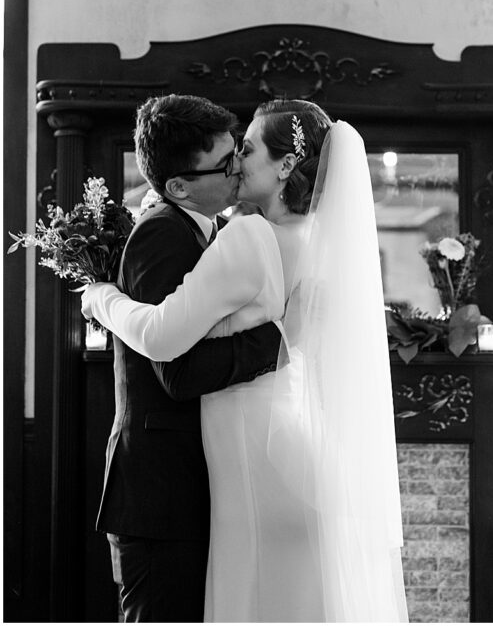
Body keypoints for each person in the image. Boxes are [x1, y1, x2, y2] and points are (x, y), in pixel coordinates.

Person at [83, 99, 407, 622]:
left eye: (246, 150)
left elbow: (163, 339)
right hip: (290, 447)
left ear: (284, 166)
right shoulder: (311, 236)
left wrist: (100, 298)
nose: (236, 162)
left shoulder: (250, 235)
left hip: (251, 456)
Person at [88, 94, 284, 622]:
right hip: (160, 496)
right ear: (178, 186)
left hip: (188, 488)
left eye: (237, 152)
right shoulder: (161, 233)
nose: (238, 168)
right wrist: (279, 341)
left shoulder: (210, 231)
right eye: (224, 163)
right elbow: (179, 372)